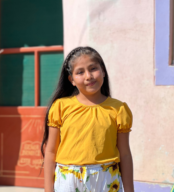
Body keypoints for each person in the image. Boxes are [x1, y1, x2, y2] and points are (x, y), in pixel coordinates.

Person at [41, 46, 134, 192]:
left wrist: (129, 189)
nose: (88, 76)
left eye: (93, 69)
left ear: (103, 71)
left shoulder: (119, 109)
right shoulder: (60, 107)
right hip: (69, 181)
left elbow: (125, 153)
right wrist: (48, 189)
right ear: (71, 80)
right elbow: (51, 151)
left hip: (107, 180)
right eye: (80, 72)